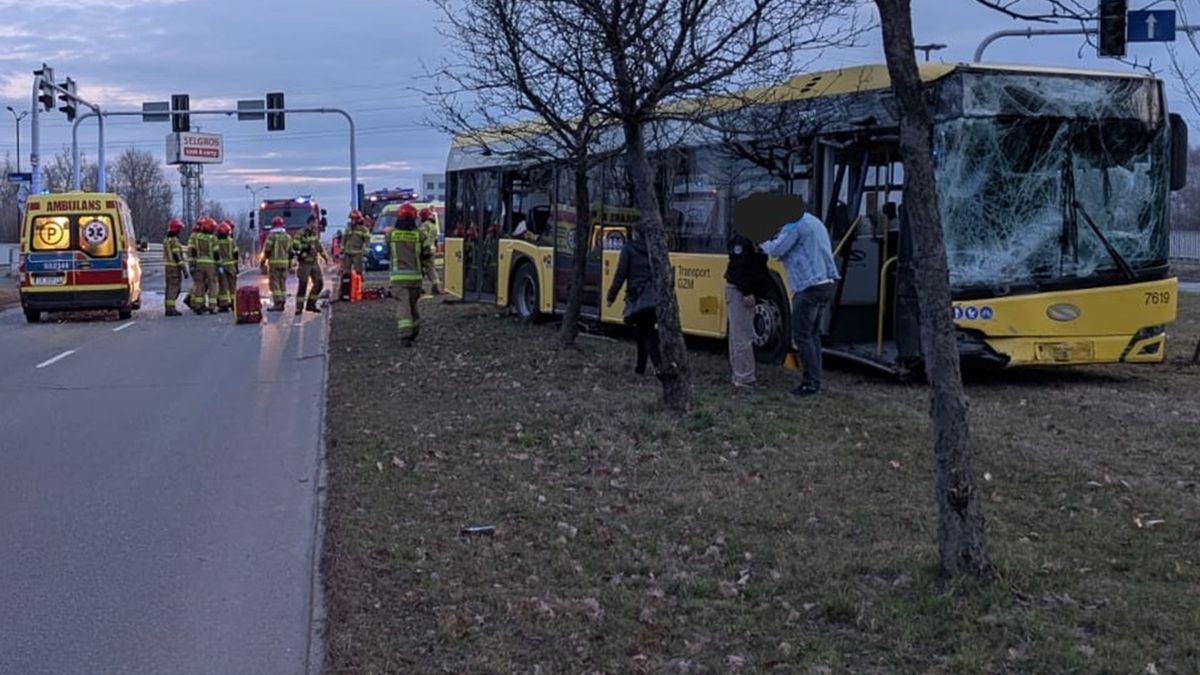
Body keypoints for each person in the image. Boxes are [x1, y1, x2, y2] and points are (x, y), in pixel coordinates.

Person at [760, 198, 839, 397]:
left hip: (808, 285)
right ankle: (815, 380)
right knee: (812, 336)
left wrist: (760, 240)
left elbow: (776, 249)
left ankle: (810, 384)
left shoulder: (794, 224)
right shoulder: (813, 221)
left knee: (802, 336)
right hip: (825, 283)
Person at [606, 229, 661, 377]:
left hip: (637, 298)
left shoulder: (629, 249)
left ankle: (659, 366)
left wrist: (611, 296)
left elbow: (620, 274)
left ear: (636, 234)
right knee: (642, 332)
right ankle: (640, 368)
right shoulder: (654, 250)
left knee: (647, 333)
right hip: (653, 297)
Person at [725, 232, 772, 388]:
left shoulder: (753, 237)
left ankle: (740, 375)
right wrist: (746, 292)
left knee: (739, 334)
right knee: (742, 335)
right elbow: (738, 268)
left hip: (744, 290)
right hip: (740, 291)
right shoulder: (743, 237)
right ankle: (744, 378)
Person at [389, 202, 434, 346]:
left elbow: (387, 251)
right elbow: (427, 253)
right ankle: (414, 329)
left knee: (403, 306)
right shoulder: (419, 235)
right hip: (416, 278)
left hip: (398, 279)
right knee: (413, 305)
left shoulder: (391, 234)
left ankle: (405, 335)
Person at [292, 215, 327, 315]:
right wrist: (305, 248)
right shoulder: (300, 233)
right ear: (309, 223)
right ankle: (299, 308)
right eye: (314, 223)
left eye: (316, 223)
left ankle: (311, 304)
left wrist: (324, 256)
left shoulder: (314, 234)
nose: (316, 225)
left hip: (314, 262)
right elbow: (295, 246)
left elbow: (318, 246)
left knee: (319, 283)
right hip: (304, 263)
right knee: (303, 284)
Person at [187, 216, 218, 314]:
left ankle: (198, 306)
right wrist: (218, 264)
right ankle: (212, 306)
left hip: (199, 264)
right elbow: (216, 252)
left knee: (199, 284)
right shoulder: (212, 238)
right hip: (210, 264)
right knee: (212, 284)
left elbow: (193, 251)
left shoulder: (196, 237)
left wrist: (193, 263)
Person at [262, 216, 292, 311]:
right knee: (282, 283)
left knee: (274, 283)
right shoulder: (287, 237)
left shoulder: (271, 236)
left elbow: (267, 250)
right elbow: (290, 251)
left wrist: (263, 261)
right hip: (285, 264)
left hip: (274, 264)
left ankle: (277, 303)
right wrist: (289, 263)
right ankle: (282, 301)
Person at [163, 217, 188, 317]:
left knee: (169, 287)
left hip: (168, 267)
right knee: (174, 287)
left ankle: (168, 307)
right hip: (174, 267)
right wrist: (183, 269)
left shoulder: (166, 240)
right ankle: (171, 308)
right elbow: (177, 255)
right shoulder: (174, 241)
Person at [214, 220, 239, 312]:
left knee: (223, 286)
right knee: (232, 285)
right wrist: (236, 265)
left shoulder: (216, 242)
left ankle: (224, 305)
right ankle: (234, 303)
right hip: (231, 265)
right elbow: (236, 253)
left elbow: (215, 253)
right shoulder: (231, 241)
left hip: (221, 266)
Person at [418, 208, 442, 295]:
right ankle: (436, 285)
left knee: (419, 269)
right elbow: (434, 239)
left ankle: (419, 287)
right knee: (431, 269)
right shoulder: (433, 225)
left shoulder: (425, 225)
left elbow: (422, 237)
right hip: (432, 249)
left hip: (424, 249)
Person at [341, 210, 370, 279]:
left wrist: (366, 249)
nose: (352, 221)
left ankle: (359, 283)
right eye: (351, 219)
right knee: (346, 271)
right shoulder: (348, 228)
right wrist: (342, 247)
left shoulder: (363, 229)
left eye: (354, 219)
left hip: (358, 253)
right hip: (347, 252)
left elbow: (367, 240)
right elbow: (344, 238)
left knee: (358, 270)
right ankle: (346, 285)